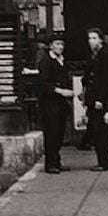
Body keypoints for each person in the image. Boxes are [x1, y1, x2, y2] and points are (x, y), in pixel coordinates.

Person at [81, 27, 108, 171]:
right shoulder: (95, 55)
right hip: (93, 96)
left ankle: (106, 161)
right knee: (97, 130)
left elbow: (106, 80)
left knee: (100, 131)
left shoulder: (105, 54)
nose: (91, 41)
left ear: (101, 40)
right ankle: (104, 160)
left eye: (94, 38)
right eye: (89, 38)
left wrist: (101, 99)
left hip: (99, 98)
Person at [37, 36, 75, 174]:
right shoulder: (46, 61)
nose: (60, 47)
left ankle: (57, 161)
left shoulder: (62, 61)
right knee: (51, 132)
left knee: (59, 132)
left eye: (62, 44)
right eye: (57, 44)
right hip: (50, 101)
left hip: (60, 102)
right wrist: (61, 91)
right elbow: (44, 83)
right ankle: (50, 163)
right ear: (51, 45)